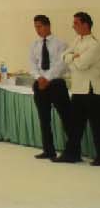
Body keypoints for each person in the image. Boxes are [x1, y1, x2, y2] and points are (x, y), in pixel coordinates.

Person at [58, 11, 100, 165]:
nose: (73, 26)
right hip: (77, 89)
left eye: (76, 23)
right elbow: (63, 56)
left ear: (85, 24)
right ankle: (72, 154)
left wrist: (72, 58)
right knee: (75, 125)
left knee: (97, 126)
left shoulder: (94, 44)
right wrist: (73, 57)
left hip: (91, 90)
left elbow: (82, 64)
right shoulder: (76, 40)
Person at [28, 15, 71, 160]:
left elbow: (62, 64)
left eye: (39, 26)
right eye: (35, 27)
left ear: (48, 26)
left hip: (56, 83)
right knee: (44, 118)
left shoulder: (61, 44)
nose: (37, 29)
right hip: (40, 84)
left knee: (66, 117)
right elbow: (32, 64)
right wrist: (39, 77)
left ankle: (72, 150)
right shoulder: (34, 45)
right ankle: (48, 150)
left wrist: (47, 78)